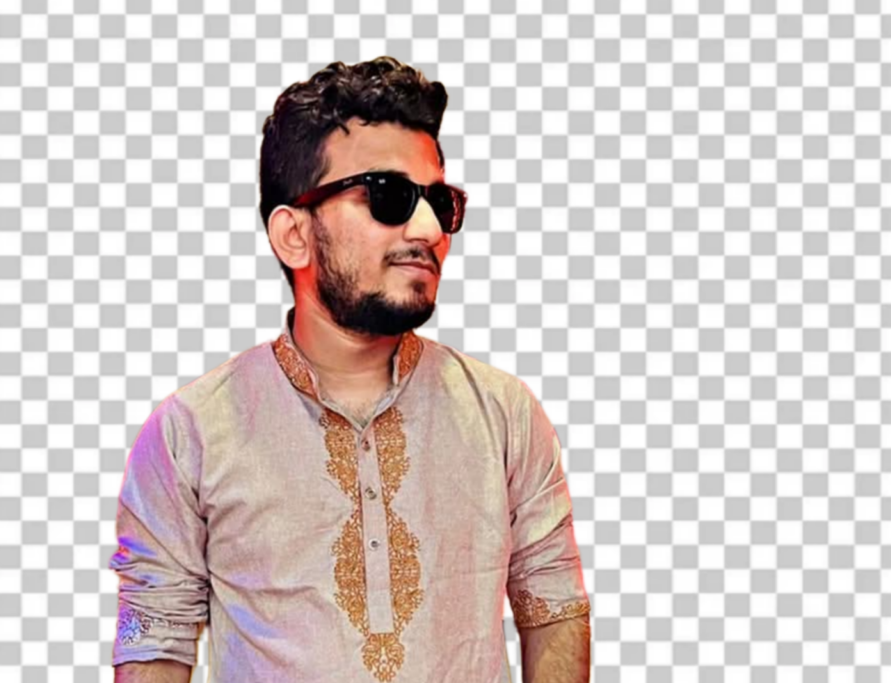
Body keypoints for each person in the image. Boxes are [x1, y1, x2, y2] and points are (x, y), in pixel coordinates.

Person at [109, 56, 591, 683]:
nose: (429, 230)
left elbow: (553, 605)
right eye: (388, 196)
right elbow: (153, 637)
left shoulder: (503, 415)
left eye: (439, 202)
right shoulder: (189, 434)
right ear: (293, 235)